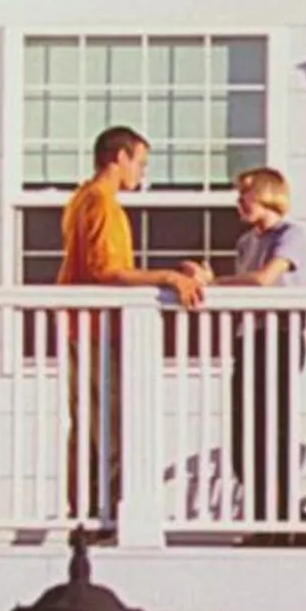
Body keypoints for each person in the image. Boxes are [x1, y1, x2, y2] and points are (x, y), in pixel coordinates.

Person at [55, 125, 205, 532]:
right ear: (118, 158)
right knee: (112, 426)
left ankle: (86, 514)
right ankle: (108, 515)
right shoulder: (102, 204)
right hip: (100, 330)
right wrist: (169, 278)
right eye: (139, 161)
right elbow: (108, 271)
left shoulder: (82, 199)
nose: (141, 171)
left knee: (88, 426)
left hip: (80, 329)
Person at [208, 167, 306, 545]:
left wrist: (213, 283)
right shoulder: (246, 242)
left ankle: (282, 524)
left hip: (279, 338)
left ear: (267, 195)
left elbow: (265, 279)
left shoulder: (290, 235)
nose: (239, 202)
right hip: (248, 339)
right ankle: (280, 517)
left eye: (245, 195)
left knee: (273, 428)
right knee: (245, 434)